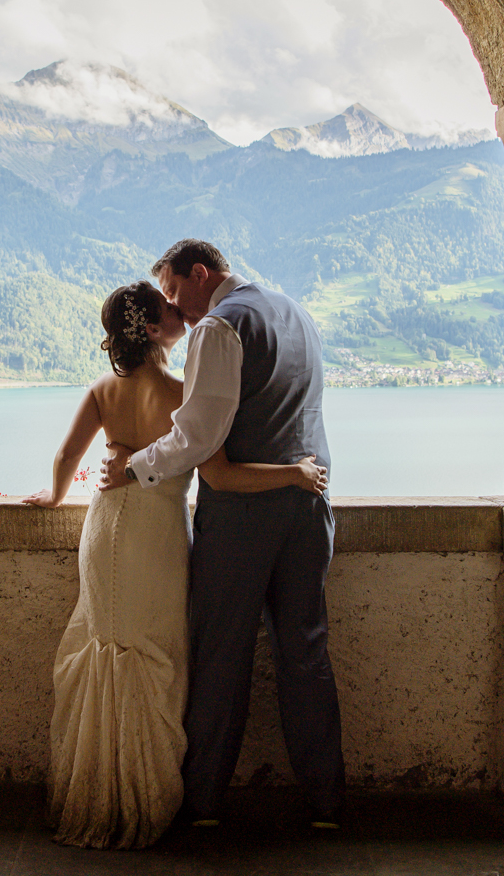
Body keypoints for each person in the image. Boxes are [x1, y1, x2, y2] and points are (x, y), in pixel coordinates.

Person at [23, 279, 326, 850]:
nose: (178, 312)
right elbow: (218, 474)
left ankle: (95, 793)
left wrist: (54, 496)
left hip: (104, 528)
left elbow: (67, 455)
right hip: (155, 537)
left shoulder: (100, 391)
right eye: (168, 309)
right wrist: (294, 474)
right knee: (155, 655)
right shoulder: (184, 393)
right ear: (158, 328)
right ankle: (144, 795)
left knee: (104, 646)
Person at [99, 239, 345, 830]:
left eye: (174, 290)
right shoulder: (296, 312)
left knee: (222, 655)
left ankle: (205, 802)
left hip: (242, 517)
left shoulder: (218, 328)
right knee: (305, 650)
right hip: (311, 505)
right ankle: (328, 803)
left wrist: (131, 467)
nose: (172, 305)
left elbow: (198, 437)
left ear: (200, 273)